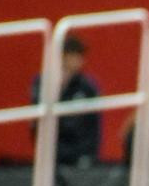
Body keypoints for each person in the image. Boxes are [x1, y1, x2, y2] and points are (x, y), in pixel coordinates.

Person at [31, 34, 101, 167]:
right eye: (74, 55)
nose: (79, 61)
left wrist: (90, 155)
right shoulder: (42, 83)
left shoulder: (88, 87)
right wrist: (59, 88)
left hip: (79, 151)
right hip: (52, 149)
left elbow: (94, 126)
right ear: (63, 56)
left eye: (80, 56)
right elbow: (37, 123)